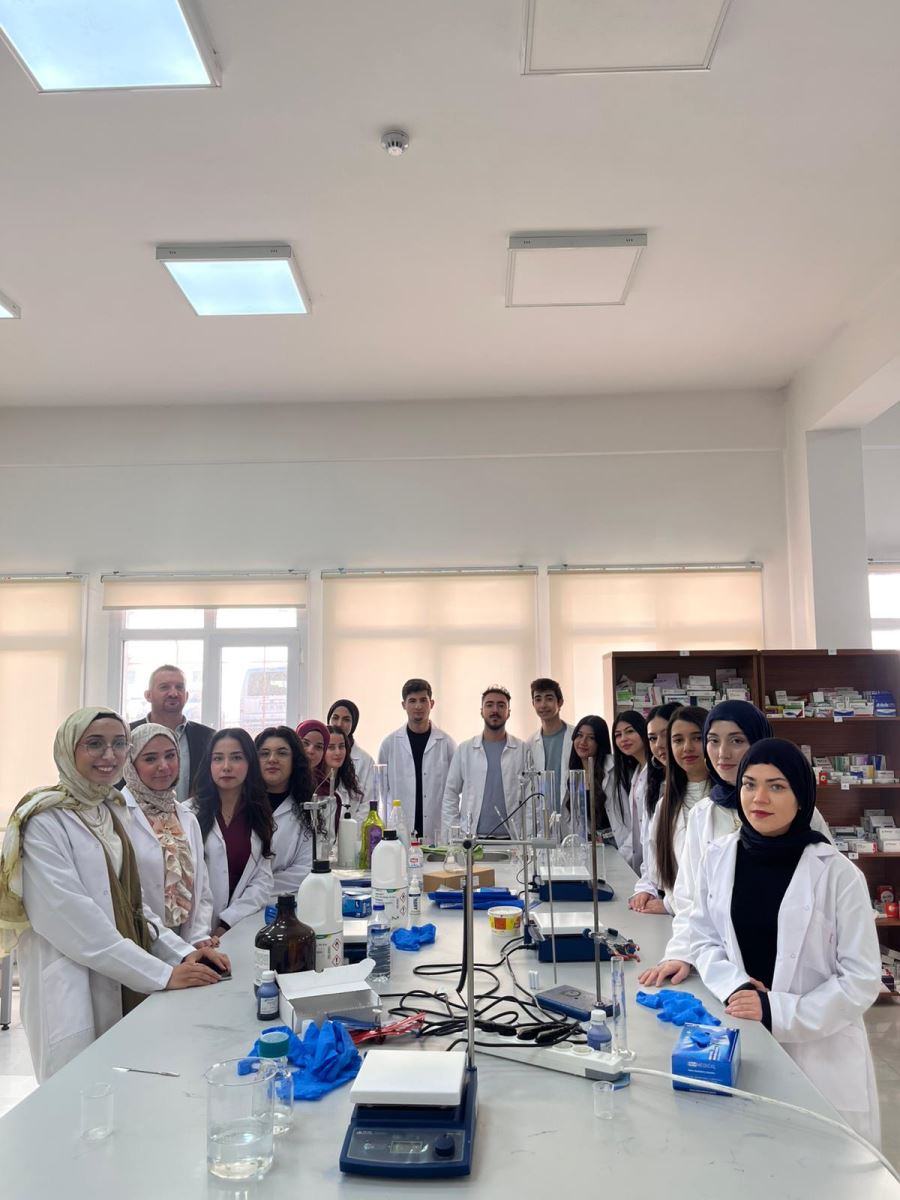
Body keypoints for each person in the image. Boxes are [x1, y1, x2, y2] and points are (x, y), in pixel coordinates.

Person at [0, 708, 227, 1082]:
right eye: (95, 744)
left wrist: (183, 953)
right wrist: (162, 974)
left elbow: (133, 905)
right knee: (76, 1091)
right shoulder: (43, 819)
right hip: (71, 982)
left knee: (123, 1087)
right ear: (68, 749)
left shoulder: (110, 811)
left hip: (121, 972)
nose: (109, 755)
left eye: (119, 743)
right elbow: (76, 923)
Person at [689, 738, 881, 1144]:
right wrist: (734, 986)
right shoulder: (718, 856)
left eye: (776, 786)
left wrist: (777, 1010)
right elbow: (704, 938)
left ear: (801, 797)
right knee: (746, 1152)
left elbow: (861, 979)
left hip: (820, 1048)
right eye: (749, 784)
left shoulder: (839, 875)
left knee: (818, 1160)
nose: (759, 798)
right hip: (743, 1028)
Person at [638, 699, 831, 987]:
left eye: (737, 740)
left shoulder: (801, 810)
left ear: (759, 742)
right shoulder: (704, 813)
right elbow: (690, 900)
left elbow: (829, 892)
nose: (722, 753)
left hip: (798, 963)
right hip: (723, 966)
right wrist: (680, 953)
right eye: (713, 741)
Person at [121, 723, 215, 946]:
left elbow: (201, 889)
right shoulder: (118, 815)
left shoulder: (187, 817)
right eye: (150, 758)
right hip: (138, 941)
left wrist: (198, 937)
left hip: (186, 943)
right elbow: (127, 896)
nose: (163, 766)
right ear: (131, 764)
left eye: (170, 756)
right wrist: (176, 950)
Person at [191, 728, 274, 938]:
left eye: (236, 758)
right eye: (218, 758)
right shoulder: (188, 814)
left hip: (237, 927)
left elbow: (262, 881)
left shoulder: (259, 814)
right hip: (192, 930)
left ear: (250, 763)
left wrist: (227, 922)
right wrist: (201, 933)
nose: (226, 766)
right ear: (209, 764)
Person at [630, 706, 709, 915]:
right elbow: (663, 871)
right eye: (678, 740)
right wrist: (671, 904)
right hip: (683, 920)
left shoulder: (730, 800)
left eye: (697, 738)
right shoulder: (665, 805)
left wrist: (670, 906)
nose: (687, 747)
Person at [377, 678, 457, 842]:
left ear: (431, 703)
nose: (418, 706)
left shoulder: (447, 744)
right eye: (412, 701)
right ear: (404, 705)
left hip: (437, 832)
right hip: (399, 832)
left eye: (423, 700)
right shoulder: (389, 744)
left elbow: (454, 792)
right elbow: (382, 792)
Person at [441, 686, 526, 839]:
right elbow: (450, 794)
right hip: (474, 839)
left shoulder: (522, 749)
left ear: (508, 712)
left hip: (513, 840)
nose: (495, 710)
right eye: (489, 705)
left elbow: (532, 797)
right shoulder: (465, 749)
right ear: (481, 711)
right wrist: (455, 833)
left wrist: (530, 836)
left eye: (501, 705)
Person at [130, 664, 214, 803]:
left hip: (194, 816)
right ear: (148, 695)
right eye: (164, 687)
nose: (173, 693)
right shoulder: (127, 735)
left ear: (186, 696)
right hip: (135, 815)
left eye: (179, 687)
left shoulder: (208, 737)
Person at [255, 726, 314, 894]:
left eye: (282, 753)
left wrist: (255, 889)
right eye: (264, 753)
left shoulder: (307, 809)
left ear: (295, 760)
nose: (272, 759)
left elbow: (304, 870)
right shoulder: (240, 803)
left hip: (282, 901)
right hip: (233, 902)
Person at [610, 710, 651, 873]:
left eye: (630, 731)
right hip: (641, 863)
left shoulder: (656, 771)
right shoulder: (636, 771)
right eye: (618, 735)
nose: (623, 739)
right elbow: (637, 830)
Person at [564, 715, 615, 837]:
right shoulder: (574, 775)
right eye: (579, 735)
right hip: (588, 842)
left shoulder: (613, 771)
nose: (583, 742)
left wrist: (604, 838)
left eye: (591, 738)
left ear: (600, 742)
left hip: (615, 843)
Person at [526, 678, 574, 797]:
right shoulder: (530, 743)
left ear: (560, 702)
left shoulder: (575, 737)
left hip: (571, 805)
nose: (543, 705)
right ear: (533, 704)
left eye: (549, 699)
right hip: (542, 806)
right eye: (538, 699)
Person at [327, 700, 375, 806]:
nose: (339, 724)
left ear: (354, 724)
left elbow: (368, 803)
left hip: (355, 816)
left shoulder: (366, 761)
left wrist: (351, 819)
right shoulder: (320, 754)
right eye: (335, 718)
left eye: (346, 719)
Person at [324, 725, 365, 822]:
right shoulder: (314, 786)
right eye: (331, 747)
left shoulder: (351, 785)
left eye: (341, 746)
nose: (338, 752)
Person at [295, 718, 330, 791]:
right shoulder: (281, 781)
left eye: (318, 747)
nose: (311, 751)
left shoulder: (325, 787)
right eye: (305, 743)